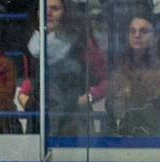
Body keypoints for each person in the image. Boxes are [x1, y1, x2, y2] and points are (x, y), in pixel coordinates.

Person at [22, 0, 108, 136]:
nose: (48, 13)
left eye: (55, 9)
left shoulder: (82, 42)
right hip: (39, 118)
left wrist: (87, 98)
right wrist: (24, 94)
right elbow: (30, 78)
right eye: (43, 8)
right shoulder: (31, 43)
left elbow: (106, 80)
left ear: (66, 13)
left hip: (74, 120)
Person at [105, 12, 160, 130]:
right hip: (121, 131)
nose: (137, 35)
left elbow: (159, 106)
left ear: (156, 36)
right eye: (132, 31)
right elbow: (110, 103)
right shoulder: (121, 65)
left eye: (143, 31)